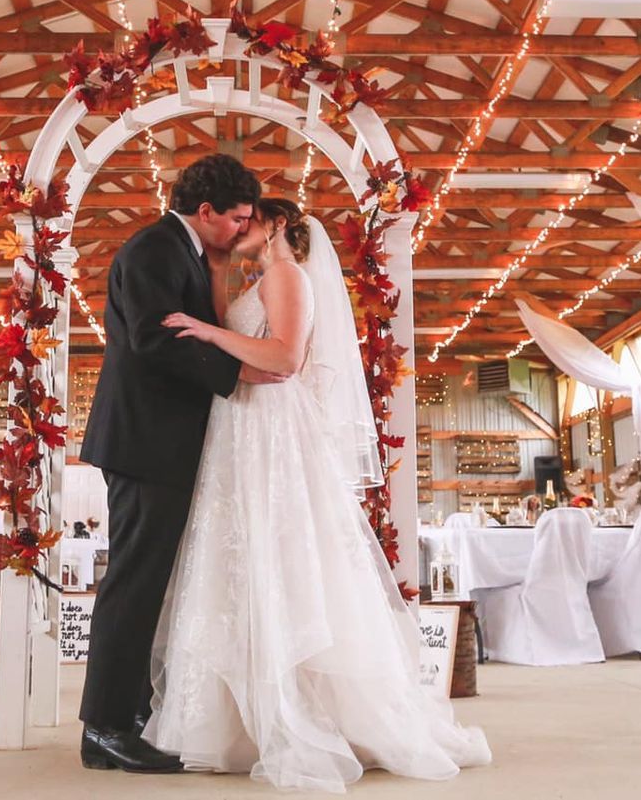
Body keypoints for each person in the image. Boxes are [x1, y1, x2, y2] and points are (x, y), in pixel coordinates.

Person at [153, 197, 491, 792]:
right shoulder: (260, 276)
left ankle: (305, 709)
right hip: (240, 427)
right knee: (241, 559)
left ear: (278, 225)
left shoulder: (289, 276)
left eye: (249, 219)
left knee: (284, 558)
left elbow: (285, 357)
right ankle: (235, 717)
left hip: (271, 430)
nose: (240, 229)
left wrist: (206, 330)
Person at [77, 153, 262, 773]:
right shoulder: (154, 248)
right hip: (144, 442)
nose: (242, 228)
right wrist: (241, 373)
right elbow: (154, 339)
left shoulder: (182, 252)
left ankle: (125, 714)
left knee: (149, 584)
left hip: (158, 442)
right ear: (204, 211)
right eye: (236, 218)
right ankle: (104, 727)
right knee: (133, 583)